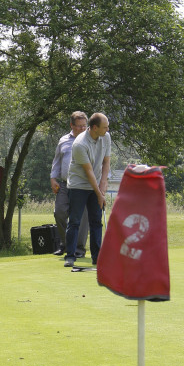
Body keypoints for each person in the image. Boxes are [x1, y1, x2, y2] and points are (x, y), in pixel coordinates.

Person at [64, 112, 111, 267]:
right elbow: (88, 172)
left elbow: (106, 162)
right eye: (105, 127)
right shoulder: (79, 144)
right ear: (95, 127)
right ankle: (70, 256)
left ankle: (97, 258)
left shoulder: (106, 137)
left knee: (96, 221)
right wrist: (99, 194)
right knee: (75, 221)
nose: (107, 129)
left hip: (96, 183)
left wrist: (103, 184)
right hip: (78, 185)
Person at [50, 111, 89, 257]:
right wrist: (53, 179)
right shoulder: (63, 140)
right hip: (65, 184)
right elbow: (57, 162)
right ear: (71, 125)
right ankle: (66, 244)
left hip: (84, 185)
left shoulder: (91, 140)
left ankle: (79, 248)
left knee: (82, 218)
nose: (82, 129)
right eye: (79, 126)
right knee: (59, 212)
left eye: (84, 126)